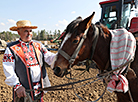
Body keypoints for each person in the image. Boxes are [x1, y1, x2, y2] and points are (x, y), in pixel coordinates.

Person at [2, 20, 56, 102]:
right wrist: (17, 86)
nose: (29, 33)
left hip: (39, 89)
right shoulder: (11, 48)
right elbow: (8, 69)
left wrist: (62, 56)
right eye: (26, 31)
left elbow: (49, 57)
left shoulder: (38, 45)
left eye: (30, 31)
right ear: (19, 32)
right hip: (23, 91)